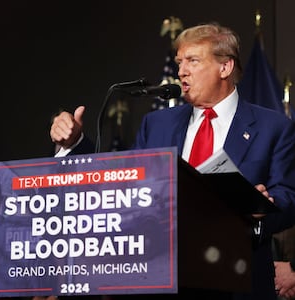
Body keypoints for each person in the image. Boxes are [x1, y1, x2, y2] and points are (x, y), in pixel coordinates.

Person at [50, 22, 295, 300]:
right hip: (164, 281)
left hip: (238, 279)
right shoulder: (156, 124)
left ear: (224, 68)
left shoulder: (273, 126)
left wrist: (266, 209)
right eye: (179, 62)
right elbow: (120, 184)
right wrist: (74, 145)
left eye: (192, 60)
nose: (181, 71)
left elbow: (289, 195)